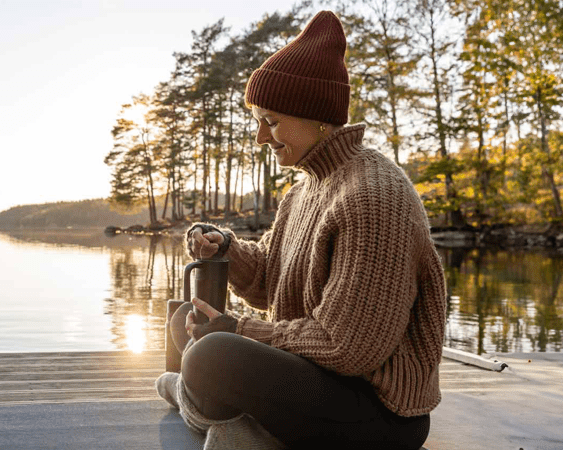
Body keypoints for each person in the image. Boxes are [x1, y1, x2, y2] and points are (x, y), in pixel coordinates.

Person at [154, 10, 448, 450]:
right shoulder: (304, 190)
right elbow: (269, 279)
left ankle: (198, 401)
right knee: (187, 317)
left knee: (214, 354)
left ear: (317, 118)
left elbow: (349, 348)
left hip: (378, 414)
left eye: (270, 121)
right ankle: (237, 420)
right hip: (317, 381)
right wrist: (226, 251)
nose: (260, 137)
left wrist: (238, 332)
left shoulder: (372, 197)